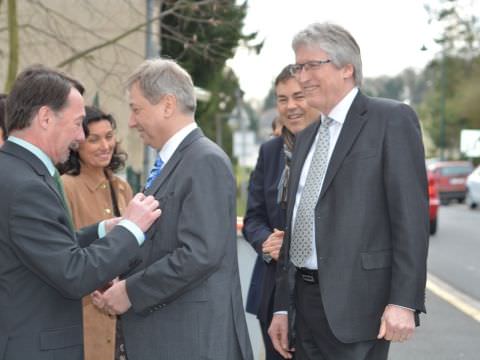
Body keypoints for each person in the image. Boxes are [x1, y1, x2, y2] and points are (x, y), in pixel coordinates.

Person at [268, 23, 429, 360]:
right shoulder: (308, 137)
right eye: (299, 67)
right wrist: (282, 307)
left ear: (346, 68)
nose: (302, 76)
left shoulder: (390, 119)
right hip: (303, 307)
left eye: (312, 65)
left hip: (359, 308)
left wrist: (403, 301)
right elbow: (296, 221)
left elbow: (410, 219)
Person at [92, 58, 253, 360]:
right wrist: (120, 280)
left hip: (191, 342)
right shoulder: (176, 160)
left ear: (167, 105)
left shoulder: (204, 161)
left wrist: (131, 291)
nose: (131, 122)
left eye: (137, 109)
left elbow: (199, 253)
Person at [0, 65, 161, 360]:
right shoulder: (26, 185)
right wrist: (132, 229)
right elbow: (73, 273)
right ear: (45, 118)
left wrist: (103, 230)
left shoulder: (16, 171)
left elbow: (44, 248)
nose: (79, 136)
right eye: (77, 123)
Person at [243, 65, 319, 360]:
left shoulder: (331, 149)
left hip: (319, 295)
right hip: (272, 291)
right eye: (282, 99)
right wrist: (267, 241)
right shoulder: (270, 152)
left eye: (298, 96)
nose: (291, 106)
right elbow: (253, 217)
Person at [59, 106, 134, 360]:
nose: (105, 145)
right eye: (94, 139)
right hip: (85, 318)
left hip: (124, 316)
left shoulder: (122, 187)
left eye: (109, 136)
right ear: (77, 142)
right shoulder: (65, 187)